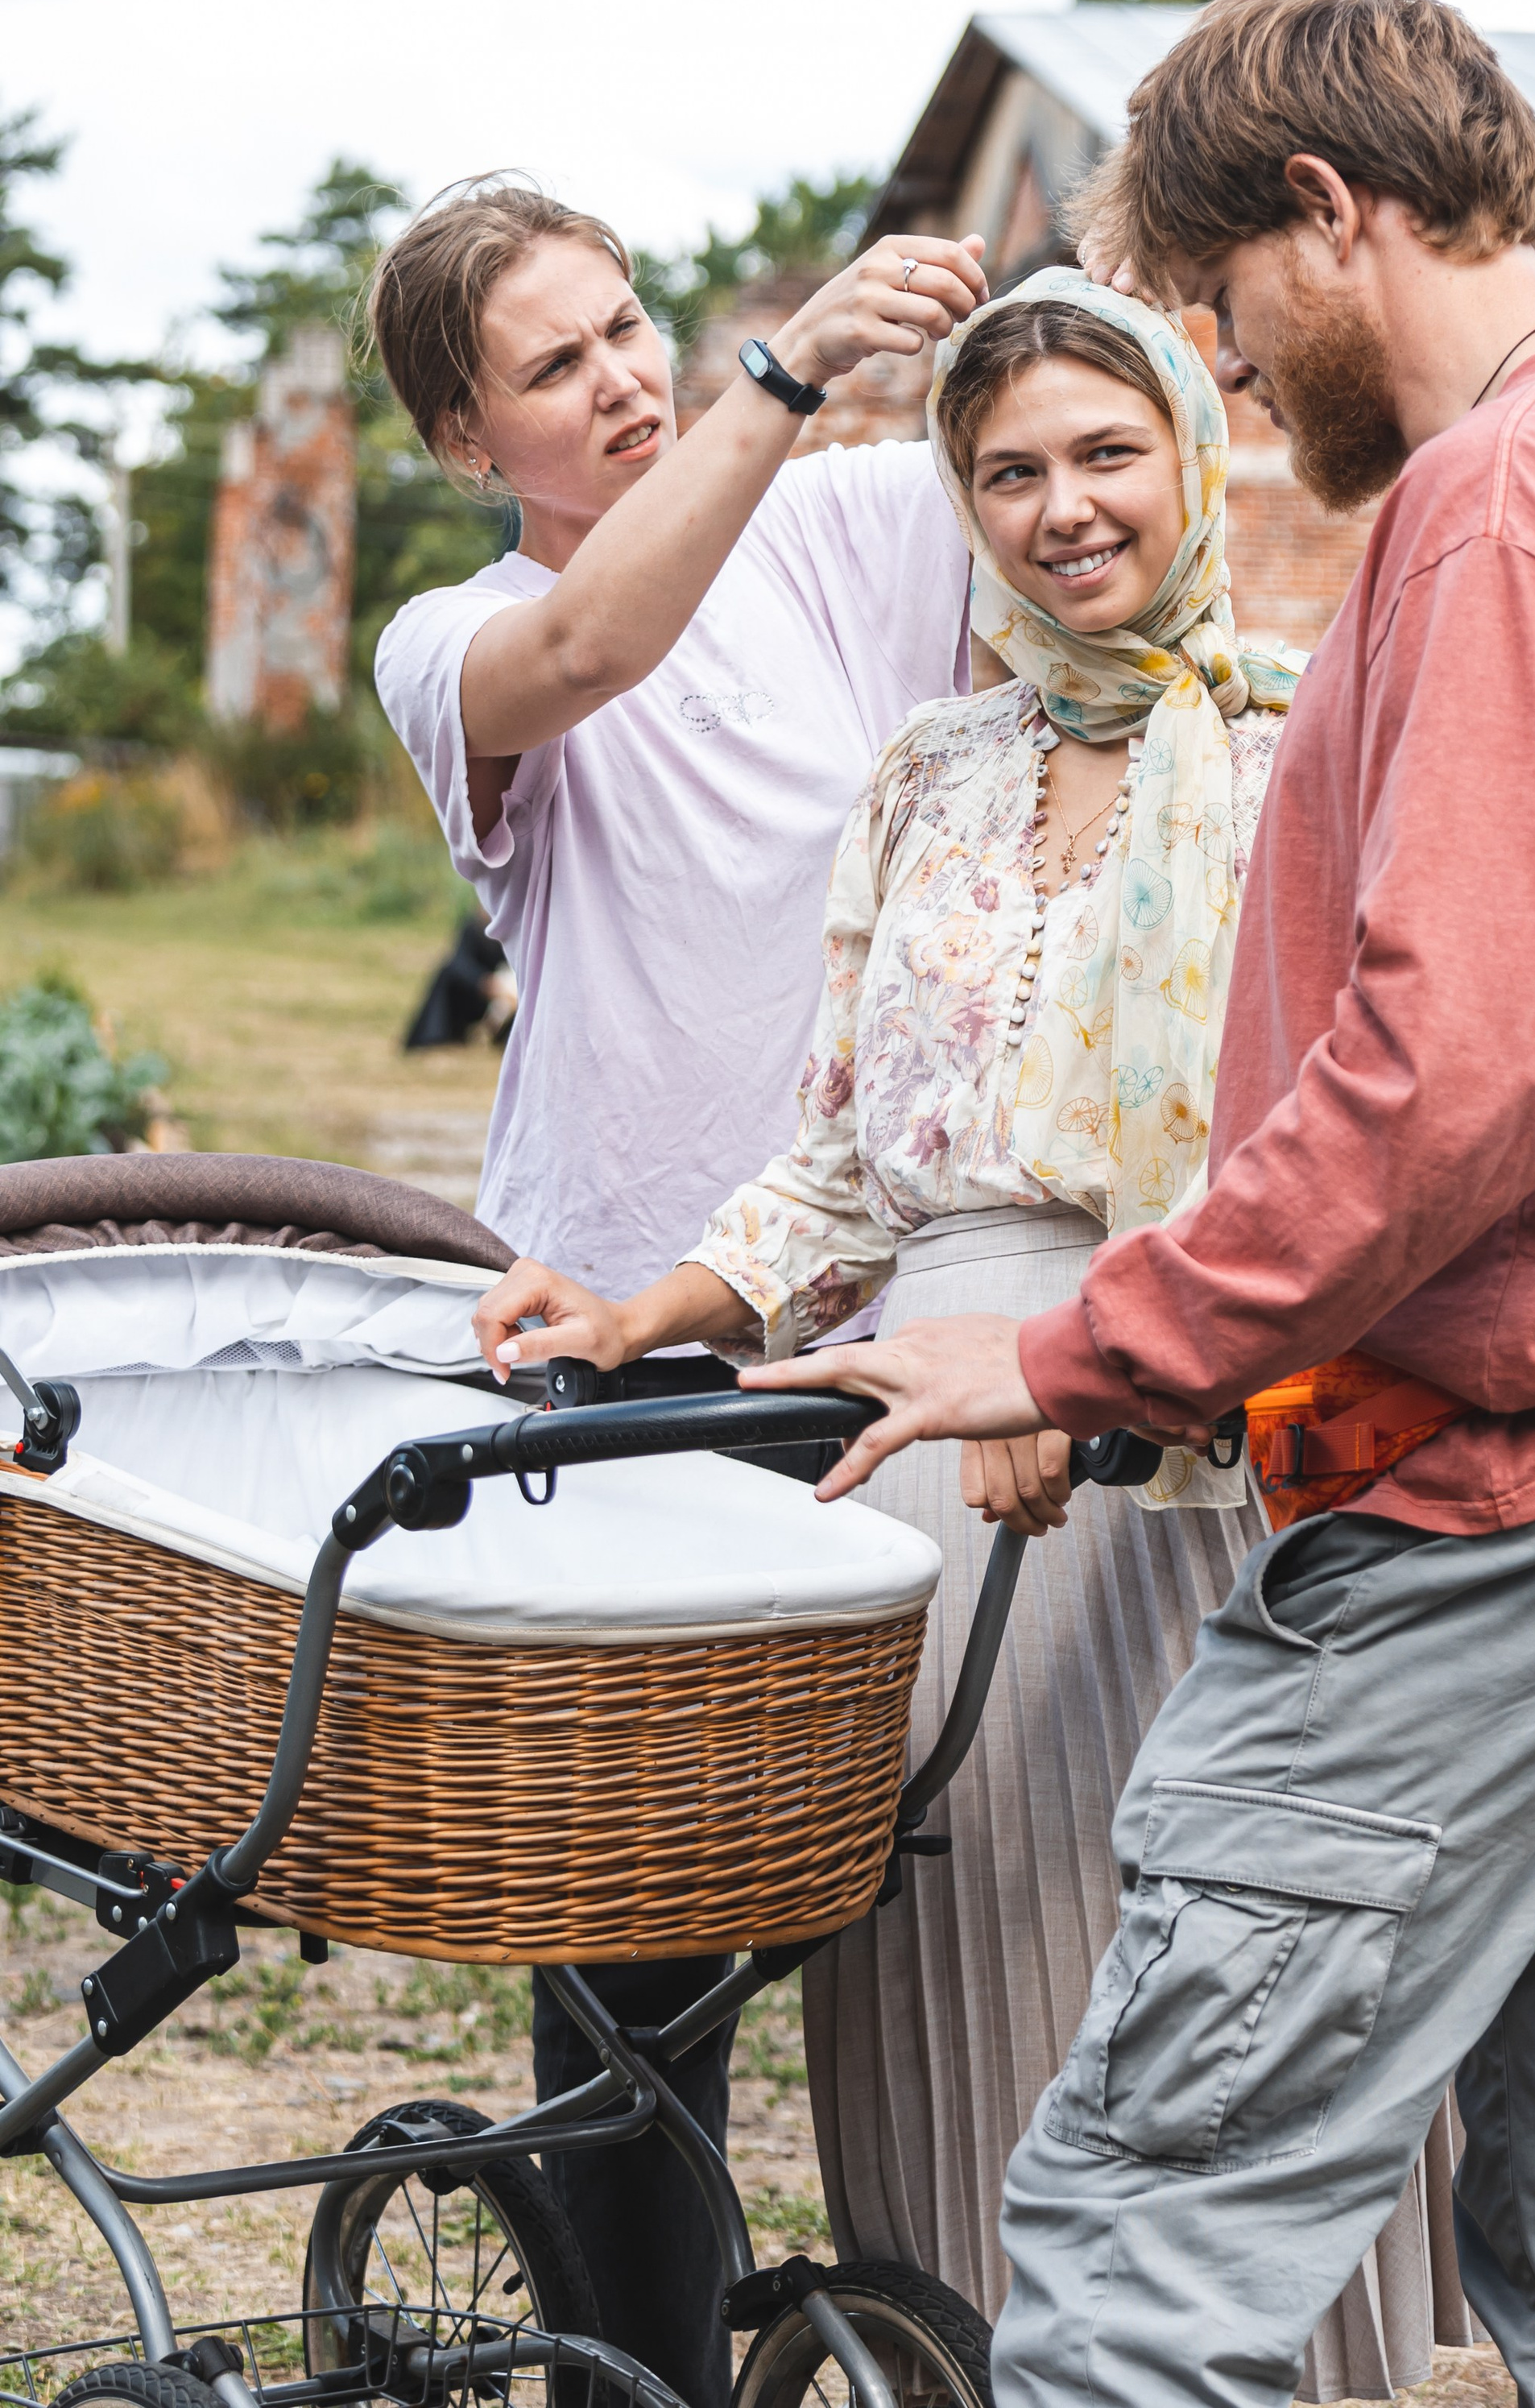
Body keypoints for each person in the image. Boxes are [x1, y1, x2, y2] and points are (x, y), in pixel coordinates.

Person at [746, 0, 1535, 2408]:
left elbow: (1452, 1072)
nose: (1241, 388)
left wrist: (1089, 1342)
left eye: (1234, 327)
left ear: (1329, 212)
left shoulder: (1495, 506)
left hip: (1506, 1488)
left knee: (1147, 2237)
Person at [478, 271, 1473, 2401]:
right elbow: (843, 1158)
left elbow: (1351, 1150)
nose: (1061, 510)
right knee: (961, 1961)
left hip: (1205, 1455)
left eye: (1105, 454)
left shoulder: (1314, 742)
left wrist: (1109, 1366)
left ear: (1192, 462)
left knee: (1216, 1972)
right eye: (1006, 471)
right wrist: (657, 1300)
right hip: (925, 1453)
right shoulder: (928, 771)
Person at [369, 179, 987, 2408]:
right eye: (558, 364)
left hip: (866, 1315)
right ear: (469, 438)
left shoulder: (826, 536)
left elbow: (1068, 471)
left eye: (631, 326)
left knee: (915, 1860)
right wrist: (783, 362)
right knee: (645, 1936)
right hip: (612, 1329)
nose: (625, 377)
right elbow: (598, 648)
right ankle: (627, 2369)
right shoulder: (453, 646)